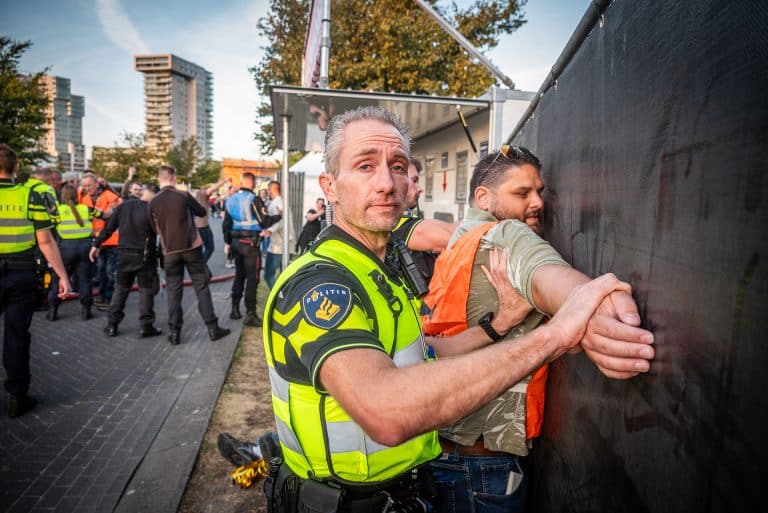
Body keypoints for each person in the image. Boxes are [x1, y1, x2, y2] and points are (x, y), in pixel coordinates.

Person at [261, 107, 654, 510]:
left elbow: (422, 355)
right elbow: (386, 410)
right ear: (330, 185)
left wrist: (497, 326)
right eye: (365, 166)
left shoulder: (379, 270)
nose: (387, 183)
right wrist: (556, 334)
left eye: (398, 166)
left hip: (404, 492)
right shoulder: (321, 284)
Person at [0, 144, 71, 418]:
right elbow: (46, 241)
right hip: (21, 272)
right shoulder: (31, 195)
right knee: (17, 335)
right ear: (16, 168)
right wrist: (63, 277)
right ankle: (18, 395)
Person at [148, 165, 230, 345]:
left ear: (159, 179)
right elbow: (201, 211)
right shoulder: (183, 195)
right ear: (173, 178)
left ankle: (175, 333)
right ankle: (213, 328)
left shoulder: (153, 202)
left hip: (169, 251)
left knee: (173, 291)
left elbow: (153, 228)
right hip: (191, 248)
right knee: (201, 287)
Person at [91, 183, 163, 338]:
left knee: (121, 289)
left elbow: (108, 228)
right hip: (145, 255)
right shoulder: (152, 209)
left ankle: (112, 325)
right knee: (146, 291)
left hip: (124, 253)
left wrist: (96, 245)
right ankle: (146, 326)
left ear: (144, 192)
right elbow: (161, 233)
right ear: (155, 195)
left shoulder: (124, 206)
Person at [222, 172, 280, 326]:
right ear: (253, 183)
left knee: (239, 276)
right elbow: (264, 221)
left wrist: (227, 243)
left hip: (235, 243)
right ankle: (251, 314)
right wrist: (279, 216)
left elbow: (226, 225)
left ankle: (234, 309)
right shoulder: (254, 199)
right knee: (252, 279)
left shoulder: (231, 199)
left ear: (242, 182)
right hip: (250, 244)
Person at [46, 184, 95, 321]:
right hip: (85, 247)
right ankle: (86, 310)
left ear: (62, 196)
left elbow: (50, 225)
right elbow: (103, 214)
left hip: (66, 249)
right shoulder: (87, 209)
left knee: (59, 279)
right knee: (85, 279)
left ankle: (53, 310)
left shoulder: (57, 211)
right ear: (76, 196)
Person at [80, 172, 120, 310]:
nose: (87, 188)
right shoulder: (84, 198)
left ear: (97, 184)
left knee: (110, 272)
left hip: (112, 240)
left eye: (89, 185)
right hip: (97, 242)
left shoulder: (110, 196)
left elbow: (109, 214)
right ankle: (102, 295)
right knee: (101, 271)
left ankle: (110, 299)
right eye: (84, 186)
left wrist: (96, 211)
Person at [261, 180, 294, 289]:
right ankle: (284, 299)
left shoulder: (278, 203)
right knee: (284, 277)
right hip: (284, 244)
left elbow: (281, 221)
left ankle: (278, 299)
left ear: (271, 190)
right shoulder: (279, 202)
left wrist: (270, 230)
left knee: (268, 275)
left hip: (278, 246)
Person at [195, 177, 230, 263]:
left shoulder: (200, 197)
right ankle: (201, 265)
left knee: (203, 248)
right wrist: (223, 181)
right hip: (202, 227)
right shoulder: (202, 194)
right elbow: (212, 189)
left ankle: (200, 265)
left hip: (202, 226)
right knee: (210, 248)